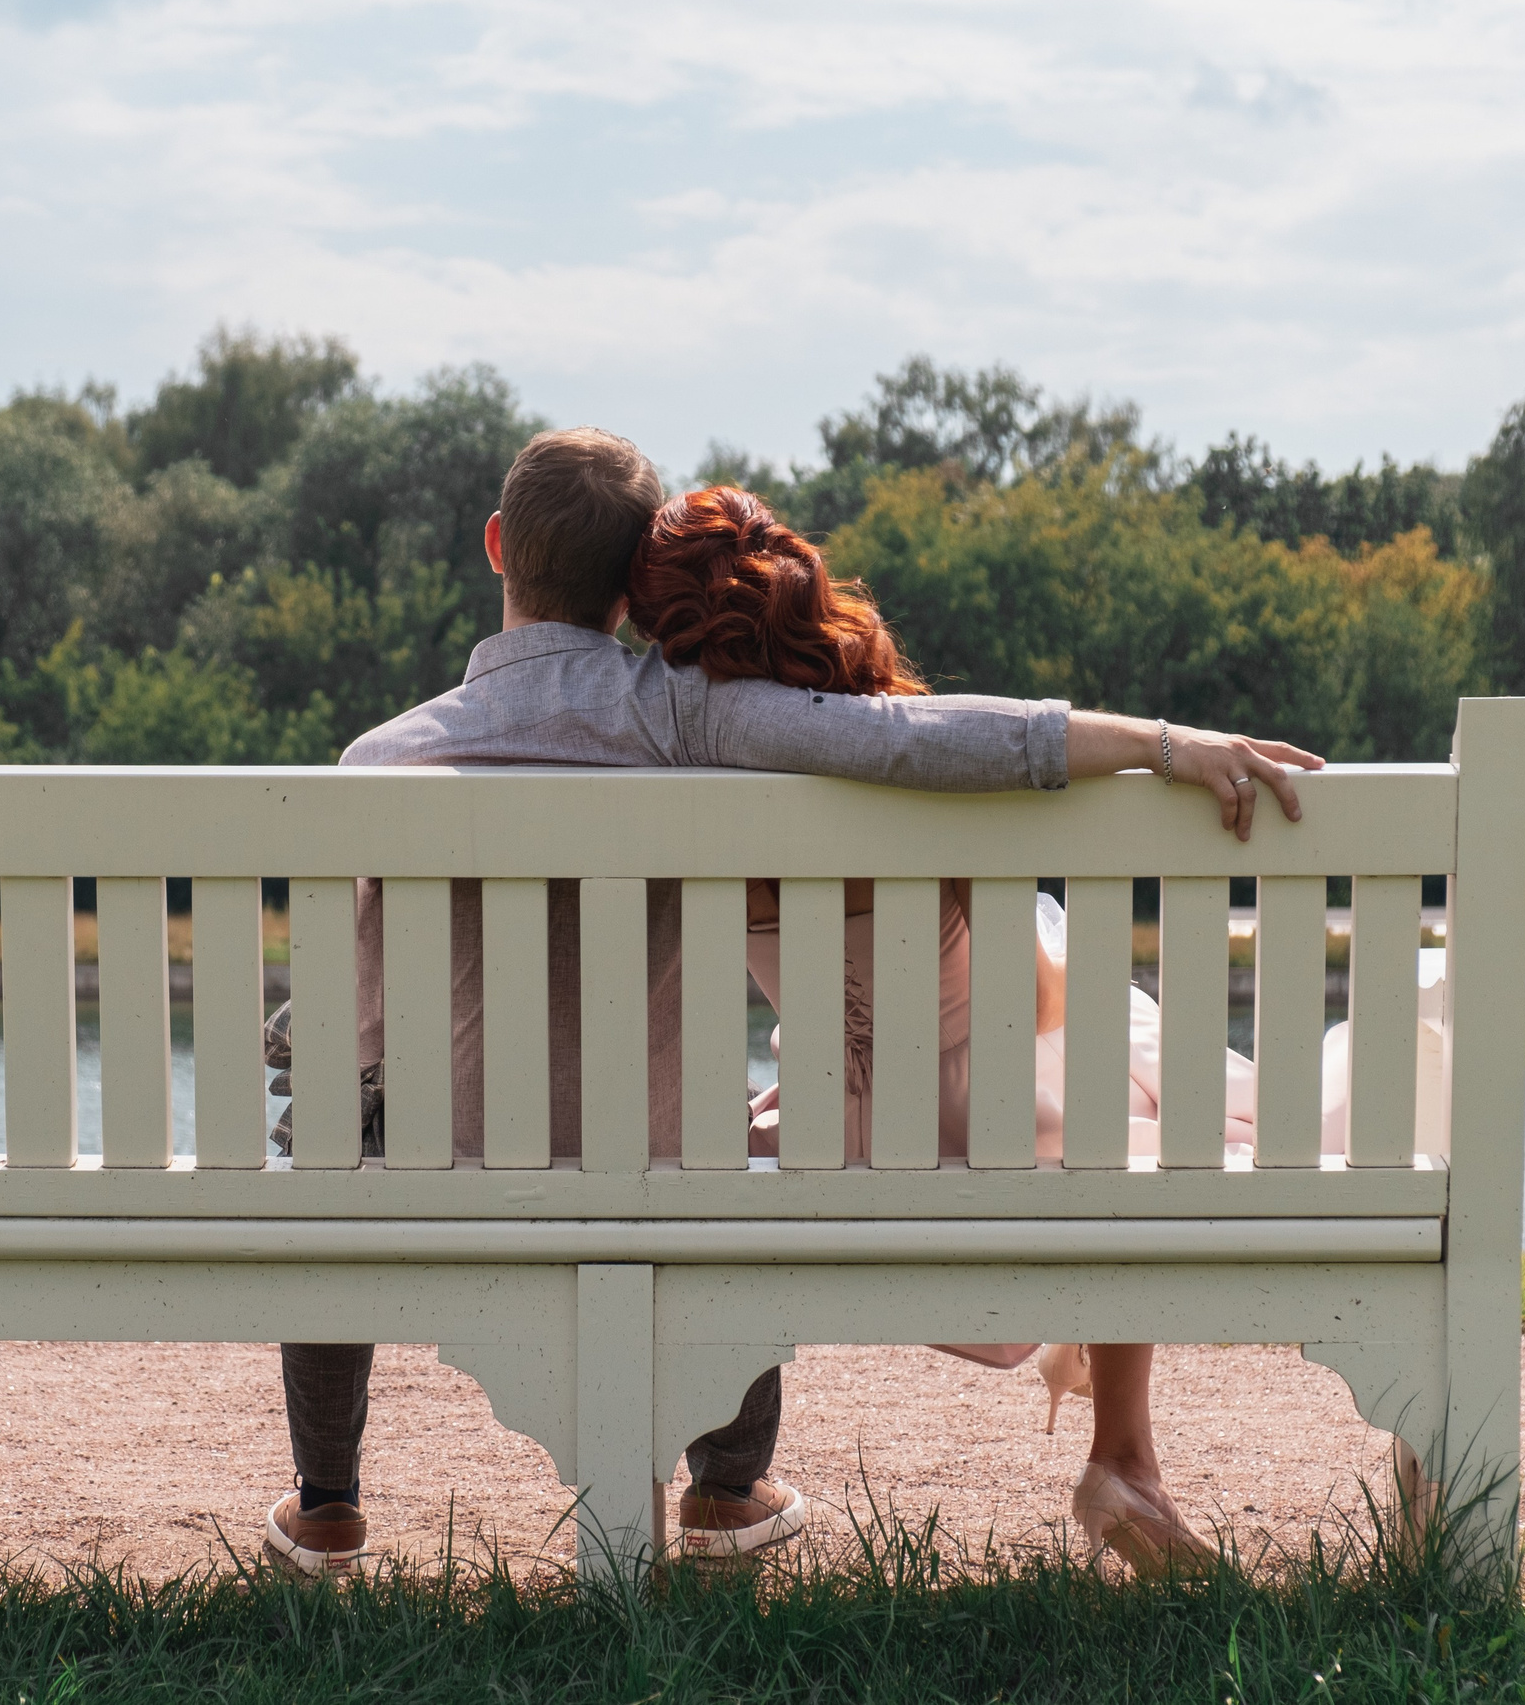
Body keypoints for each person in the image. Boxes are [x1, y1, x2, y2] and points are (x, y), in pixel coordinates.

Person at [261, 430, 1322, 1578]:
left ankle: (326, 1505)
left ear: (495, 548)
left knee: (333, 1131)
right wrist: (1165, 744)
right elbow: (923, 739)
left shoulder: (377, 762)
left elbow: (344, 1026)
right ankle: (723, 1487)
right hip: (652, 1157)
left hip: (429, 1163)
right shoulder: (684, 718)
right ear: (630, 583)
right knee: (710, 1136)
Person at [626, 484, 1317, 1575]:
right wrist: (1165, 746)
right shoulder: (909, 760)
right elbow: (1031, 1007)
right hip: (1002, 1120)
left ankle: (1104, 1431)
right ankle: (1123, 1457)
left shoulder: (666, 763)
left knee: (1094, 1066)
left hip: (844, 1131)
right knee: (1108, 1060)